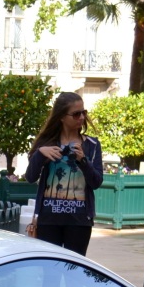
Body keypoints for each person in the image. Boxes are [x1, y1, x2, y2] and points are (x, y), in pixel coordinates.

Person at [24, 92, 104, 254]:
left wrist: (83, 160)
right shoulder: (46, 144)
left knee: (74, 271)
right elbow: (30, 178)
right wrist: (40, 154)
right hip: (48, 219)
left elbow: (96, 182)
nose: (81, 117)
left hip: (79, 220)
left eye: (83, 112)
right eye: (76, 114)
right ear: (61, 117)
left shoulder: (92, 145)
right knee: (49, 271)